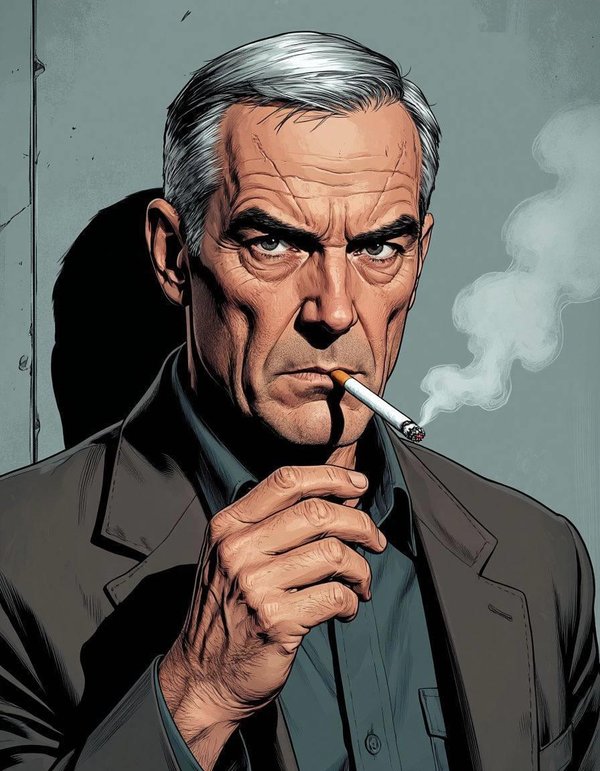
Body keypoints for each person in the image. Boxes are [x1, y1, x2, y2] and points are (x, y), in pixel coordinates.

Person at [0, 31, 598, 771]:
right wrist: (198, 695)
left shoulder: (540, 561)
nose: (335, 311)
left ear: (420, 255)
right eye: (274, 244)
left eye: (378, 248)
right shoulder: (15, 559)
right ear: (173, 255)